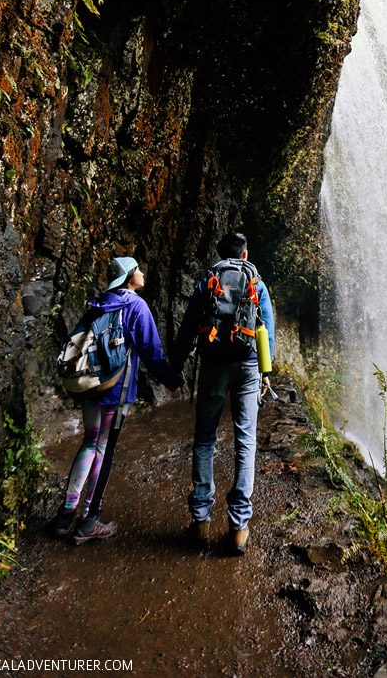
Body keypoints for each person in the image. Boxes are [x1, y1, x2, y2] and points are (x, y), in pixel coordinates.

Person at [49, 255, 184, 544]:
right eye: (138, 269)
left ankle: (64, 515)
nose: (143, 272)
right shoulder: (136, 305)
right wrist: (172, 381)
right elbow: (151, 352)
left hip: (91, 385)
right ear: (128, 276)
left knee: (89, 442)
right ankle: (88, 519)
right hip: (116, 390)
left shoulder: (99, 304)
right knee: (103, 450)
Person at [171, 231, 275, 555]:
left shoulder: (209, 280)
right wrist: (265, 373)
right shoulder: (256, 282)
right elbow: (267, 329)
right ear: (245, 253)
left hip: (213, 364)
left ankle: (201, 521)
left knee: (205, 440)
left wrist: (176, 366)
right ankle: (239, 528)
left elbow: (189, 324)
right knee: (245, 440)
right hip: (247, 366)